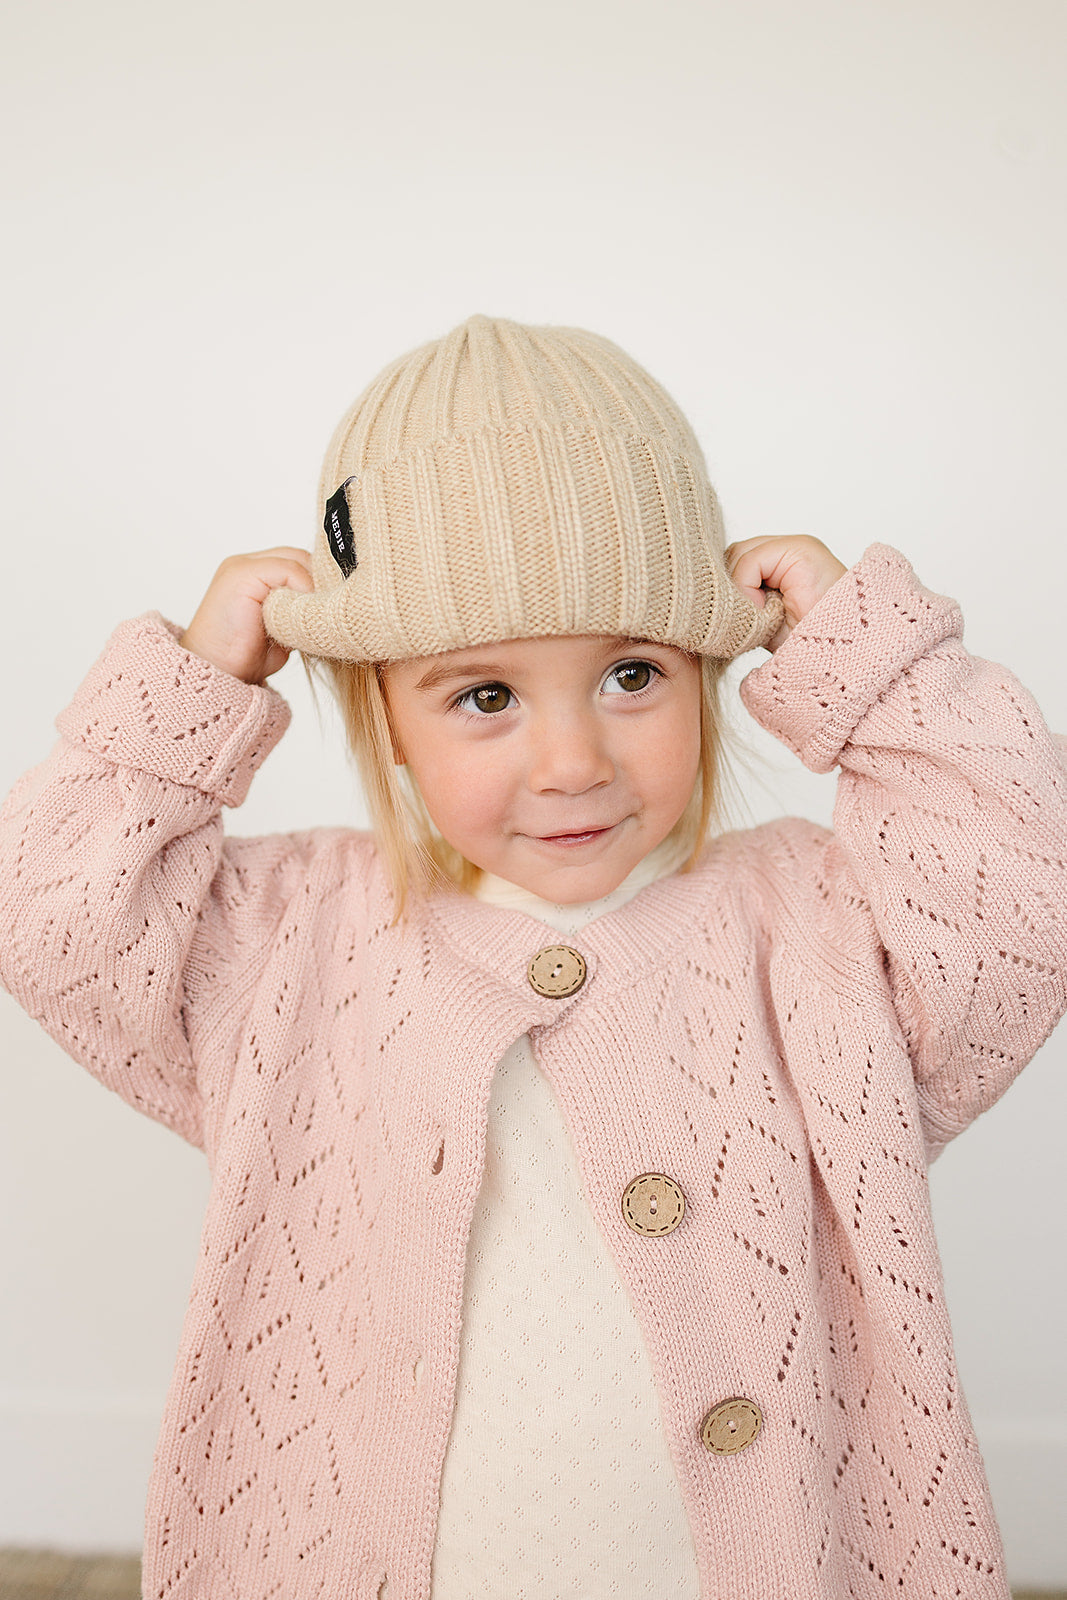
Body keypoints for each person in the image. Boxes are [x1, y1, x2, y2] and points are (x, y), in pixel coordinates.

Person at [1, 313, 1063, 1600]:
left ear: (708, 669)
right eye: (484, 697)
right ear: (382, 712)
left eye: (630, 673)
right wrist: (193, 683)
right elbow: (51, 909)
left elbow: (1017, 882)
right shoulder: (292, 940)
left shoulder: (818, 928)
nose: (572, 762)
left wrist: (867, 656)